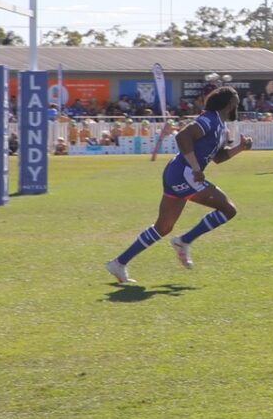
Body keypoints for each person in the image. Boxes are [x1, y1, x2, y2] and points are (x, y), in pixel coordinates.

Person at [105, 87, 254, 283]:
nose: (238, 105)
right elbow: (182, 136)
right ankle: (184, 241)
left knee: (163, 227)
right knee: (228, 209)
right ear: (229, 104)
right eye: (236, 101)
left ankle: (119, 263)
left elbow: (218, 157)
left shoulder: (220, 126)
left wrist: (240, 148)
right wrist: (195, 167)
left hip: (177, 173)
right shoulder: (209, 119)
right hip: (184, 174)